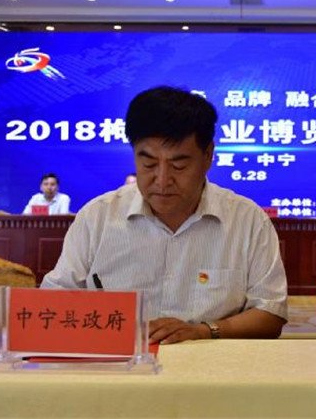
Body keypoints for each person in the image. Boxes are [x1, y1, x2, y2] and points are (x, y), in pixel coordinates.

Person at [41, 86, 288, 343]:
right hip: (117, 363)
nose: (162, 180)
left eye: (178, 165)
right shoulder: (97, 217)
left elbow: (270, 314)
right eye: (148, 163)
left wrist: (203, 331)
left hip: (211, 365)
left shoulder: (248, 221)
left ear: (208, 156)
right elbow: (52, 300)